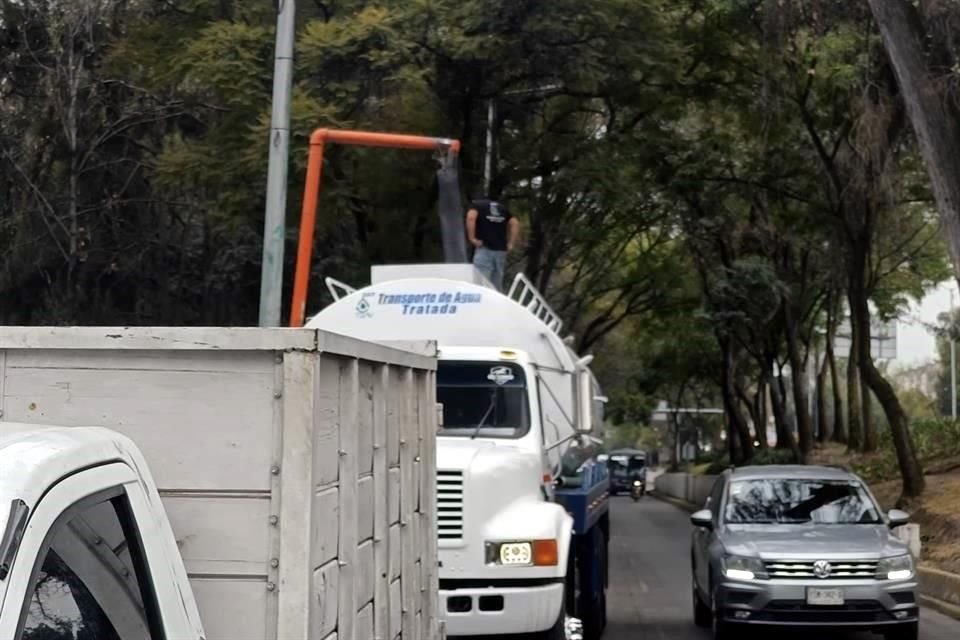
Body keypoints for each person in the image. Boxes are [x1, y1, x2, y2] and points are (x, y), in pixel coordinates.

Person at [465, 197, 519, 291]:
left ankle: (482, 304)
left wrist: (472, 238)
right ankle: (496, 304)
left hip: (485, 248)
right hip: (501, 250)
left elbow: (471, 217)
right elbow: (514, 223)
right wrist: (511, 243)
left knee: (480, 283)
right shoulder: (502, 208)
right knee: (496, 285)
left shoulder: (476, 205)